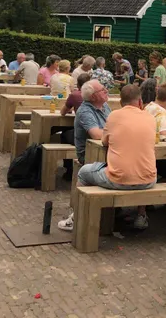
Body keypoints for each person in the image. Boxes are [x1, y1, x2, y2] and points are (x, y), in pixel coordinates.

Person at [69, 85, 156, 231]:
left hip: (118, 179)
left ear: (121, 102)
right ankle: (140, 215)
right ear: (140, 102)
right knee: (140, 166)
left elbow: (104, 141)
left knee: (83, 172)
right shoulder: (150, 118)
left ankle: (77, 218)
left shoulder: (114, 116)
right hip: (149, 180)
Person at [58, 79, 112, 231]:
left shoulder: (105, 106)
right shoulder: (85, 111)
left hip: (107, 150)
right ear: (93, 96)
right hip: (89, 154)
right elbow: (96, 134)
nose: (106, 91)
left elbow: (112, 128)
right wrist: (118, 134)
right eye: (102, 90)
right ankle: (78, 216)